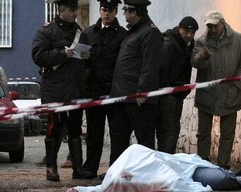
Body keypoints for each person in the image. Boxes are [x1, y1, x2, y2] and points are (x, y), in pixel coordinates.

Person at [32, 0, 95, 181]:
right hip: (55, 91)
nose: (76, 13)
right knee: (54, 129)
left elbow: (87, 64)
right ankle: (51, 169)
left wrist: (87, 57)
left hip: (76, 90)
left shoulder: (79, 32)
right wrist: (61, 54)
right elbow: (38, 56)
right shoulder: (46, 31)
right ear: (62, 11)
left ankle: (78, 168)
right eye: (73, 10)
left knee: (75, 131)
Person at [191, 10, 241, 169]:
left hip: (229, 94)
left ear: (222, 23)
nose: (211, 29)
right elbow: (194, 63)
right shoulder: (201, 41)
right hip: (207, 94)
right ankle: (203, 164)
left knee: (227, 134)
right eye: (209, 26)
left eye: (214, 25)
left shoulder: (238, 40)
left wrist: (236, 85)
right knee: (203, 133)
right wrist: (201, 57)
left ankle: (223, 165)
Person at [66, 144, 241, 192]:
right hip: (184, 173)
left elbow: (177, 181)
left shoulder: (126, 171)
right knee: (222, 180)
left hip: (185, 167)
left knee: (220, 177)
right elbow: (100, 189)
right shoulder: (118, 181)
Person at [109, 0, 163, 165]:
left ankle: (146, 175)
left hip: (138, 100)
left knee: (144, 143)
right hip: (122, 97)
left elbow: (150, 65)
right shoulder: (132, 32)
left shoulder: (150, 33)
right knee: (118, 141)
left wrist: (143, 91)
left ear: (134, 12)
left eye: (125, 9)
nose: (123, 13)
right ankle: (116, 174)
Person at [78, 0, 127, 179]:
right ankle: (90, 168)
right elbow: (80, 63)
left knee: (117, 134)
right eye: (104, 10)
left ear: (116, 12)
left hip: (115, 91)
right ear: (100, 11)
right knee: (93, 133)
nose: (106, 14)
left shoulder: (122, 34)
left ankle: (115, 169)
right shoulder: (88, 33)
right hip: (94, 90)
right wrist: (84, 58)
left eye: (110, 10)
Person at [156, 16, 198, 154]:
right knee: (168, 130)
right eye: (186, 31)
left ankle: (168, 158)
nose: (189, 35)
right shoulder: (168, 43)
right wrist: (168, 90)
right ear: (179, 29)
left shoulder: (189, 44)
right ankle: (166, 159)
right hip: (167, 93)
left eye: (192, 33)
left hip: (178, 92)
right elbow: (162, 69)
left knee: (173, 129)